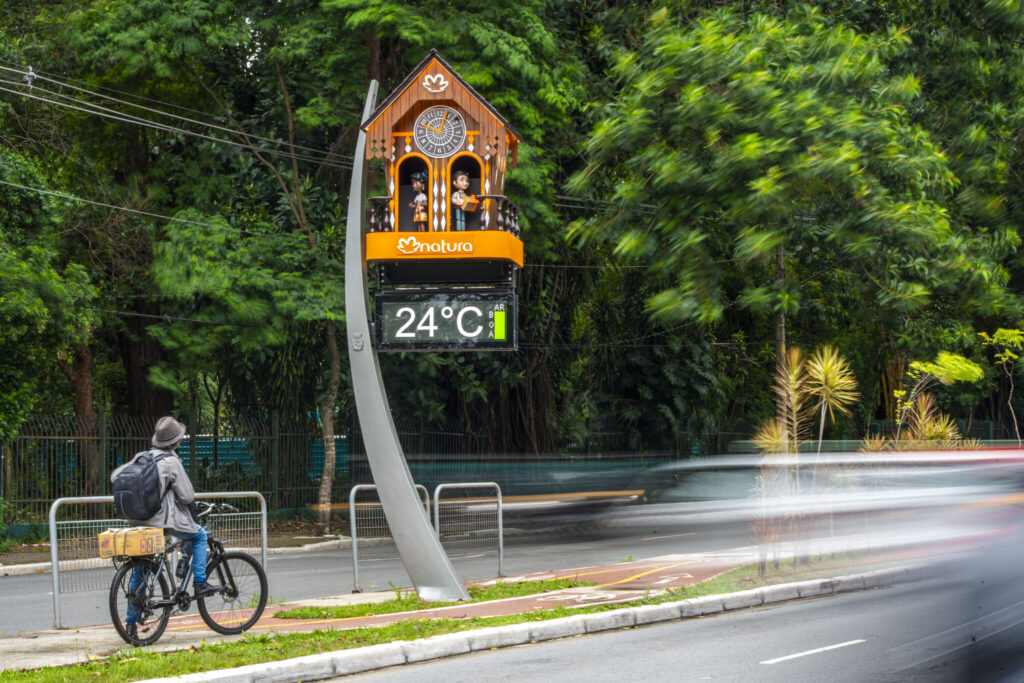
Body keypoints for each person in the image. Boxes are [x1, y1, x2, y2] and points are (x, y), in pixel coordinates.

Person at [111, 416, 219, 636]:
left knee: (140, 569)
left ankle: (130, 624)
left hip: (136, 520)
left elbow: (115, 476)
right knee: (198, 536)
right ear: (176, 442)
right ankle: (200, 583)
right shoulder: (171, 462)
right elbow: (188, 496)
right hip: (161, 520)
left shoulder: (143, 457)